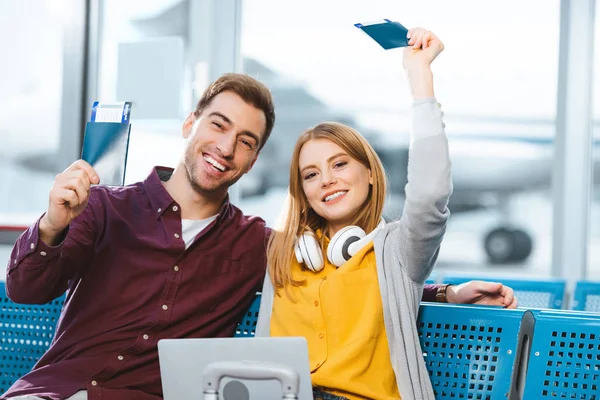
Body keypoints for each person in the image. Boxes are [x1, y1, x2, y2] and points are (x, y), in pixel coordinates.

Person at [3, 70, 515, 400]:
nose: (225, 148)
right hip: (56, 392)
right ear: (190, 124)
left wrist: (442, 292)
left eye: (245, 141)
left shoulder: (258, 245)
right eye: (218, 126)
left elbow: (356, 274)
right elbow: (26, 289)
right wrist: (50, 225)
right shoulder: (103, 208)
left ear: (252, 160)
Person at [256, 27, 464, 400]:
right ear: (302, 190)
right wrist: (445, 294)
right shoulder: (284, 253)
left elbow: (430, 193)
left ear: (369, 173)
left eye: (339, 164)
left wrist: (420, 78)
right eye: (311, 174)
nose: (327, 181)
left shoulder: (397, 253)